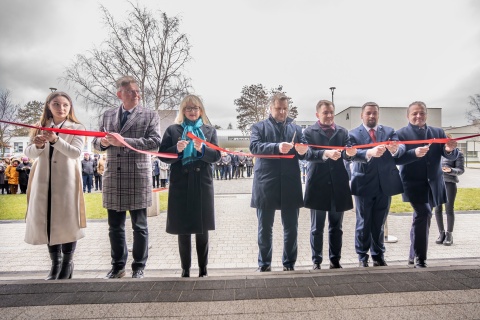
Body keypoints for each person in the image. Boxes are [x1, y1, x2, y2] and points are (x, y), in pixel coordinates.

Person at [92, 76, 162, 279]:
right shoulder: (107, 115)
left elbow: (155, 142)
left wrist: (124, 142)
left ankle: (139, 266)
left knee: (139, 226)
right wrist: (104, 143)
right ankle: (117, 265)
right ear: (120, 94)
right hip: (113, 176)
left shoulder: (149, 115)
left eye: (138, 91)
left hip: (137, 176)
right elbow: (96, 143)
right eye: (131, 91)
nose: (137, 94)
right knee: (114, 227)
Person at [24, 91, 86, 280]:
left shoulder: (76, 127)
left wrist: (55, 140)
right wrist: (39, 145)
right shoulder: (40, 127)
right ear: (49, 106)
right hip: (43, 181)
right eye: (57, 104)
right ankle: (55, 263)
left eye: (65, 105)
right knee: (48, 220)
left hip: (67, 181)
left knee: (67, 221)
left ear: (70, 107)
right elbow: (30, 153)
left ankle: (67, 262)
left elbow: (76, 153)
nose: (61, 108)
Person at [159, 94, 221, 277]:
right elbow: (162, 155)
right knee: (183, 229)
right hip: (181, 184)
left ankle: (203, 269)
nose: (192, 112)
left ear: (201, 111)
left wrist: (202, 149)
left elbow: (216, 156)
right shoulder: (173, 130)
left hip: (202, 183)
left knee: (202, 230)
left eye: (195, 108)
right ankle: (185, 269)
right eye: (188, 108)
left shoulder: (210, 131)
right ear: (183, 111)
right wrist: (175, 150)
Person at [250, 92, 308, 272]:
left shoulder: (296, 129)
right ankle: (264, 264)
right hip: (266, 184)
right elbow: (254, 147)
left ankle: (289, 264)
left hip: (290, 184)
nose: (282, 112)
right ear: (270, 108)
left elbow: (304, 151)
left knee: (291, 229)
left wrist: (302, 149)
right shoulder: (258, 127)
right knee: (264, 229)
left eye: (285, 108)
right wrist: (276, 147)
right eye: (278, 108)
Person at [396, 101, 458, 268]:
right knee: (424, 213)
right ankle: (420, 258)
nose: (418, 116)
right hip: (412, 184)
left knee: (420, 217)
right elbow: (397, 157)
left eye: (421, 113)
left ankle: (411, 255)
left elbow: (450, 155)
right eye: (414, 113)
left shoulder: (438, 132)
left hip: (434, 184)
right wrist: (414, 153)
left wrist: (450, 149)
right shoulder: (400, 134)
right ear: (408, 116)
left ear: (426, 115)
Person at [348, 102, 405, 267]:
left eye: (374, 113)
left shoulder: (389, 132)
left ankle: (378, 255)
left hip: (385, 185)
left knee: (379, 222)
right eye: (368, 113)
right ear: (362, 115)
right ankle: (362, 256)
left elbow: (399, 149)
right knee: (363, 222)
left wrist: (394, 149)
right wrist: (368, 153)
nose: (372, 116)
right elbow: (350, 154)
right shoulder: (353, 134)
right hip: (364, 184)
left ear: (378, 115)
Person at [303, 100, 356, 270]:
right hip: (317, 184)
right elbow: (306, 154)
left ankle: (335, 260)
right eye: (325, 112)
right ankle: (316, 260)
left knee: (336, 227)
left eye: (332, 112)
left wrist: (349, 154)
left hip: (338, 184)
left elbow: (349, 153)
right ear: (317, 114)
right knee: (316, 228)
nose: (329, 115)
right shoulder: (309, 132)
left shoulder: (343, 131)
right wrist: (324, 153)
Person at [434, 145, 465, 246]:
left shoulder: (458, 154)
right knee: (437, 209)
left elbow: (460, 170)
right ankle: (441, 233)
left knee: (449, 209)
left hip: (449, 183)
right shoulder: (438, 152)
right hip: (437, 183)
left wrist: (451, 170)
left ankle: (449, 235)